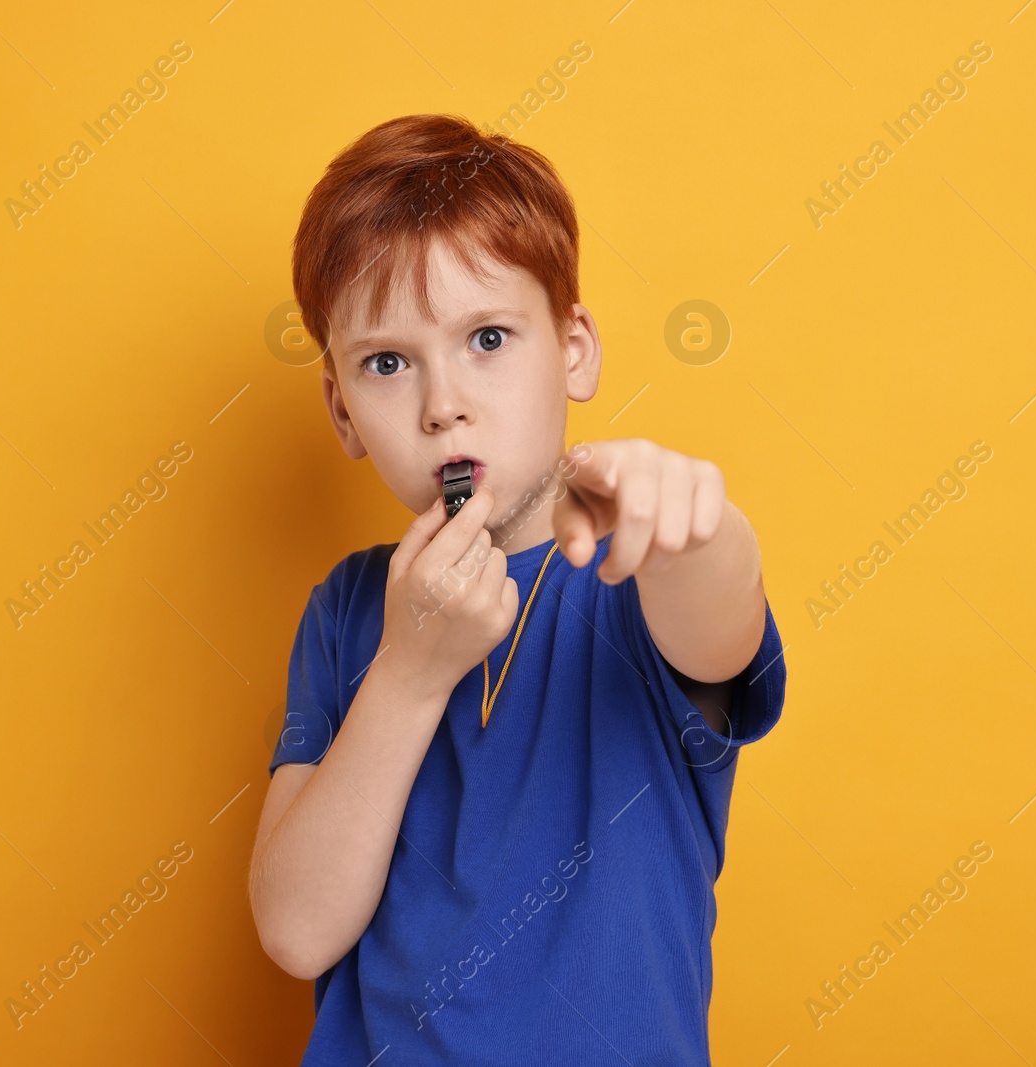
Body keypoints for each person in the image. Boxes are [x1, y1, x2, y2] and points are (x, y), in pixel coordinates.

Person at [249, 112, 787, 1065]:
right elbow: (296, 928)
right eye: (386, 363)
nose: (442, 401)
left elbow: (718, 610)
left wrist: (696, 525)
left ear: (574, 348)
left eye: (488, 337)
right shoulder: (345, 611)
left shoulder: (635, 572)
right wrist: (409, 674)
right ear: (341, 408)